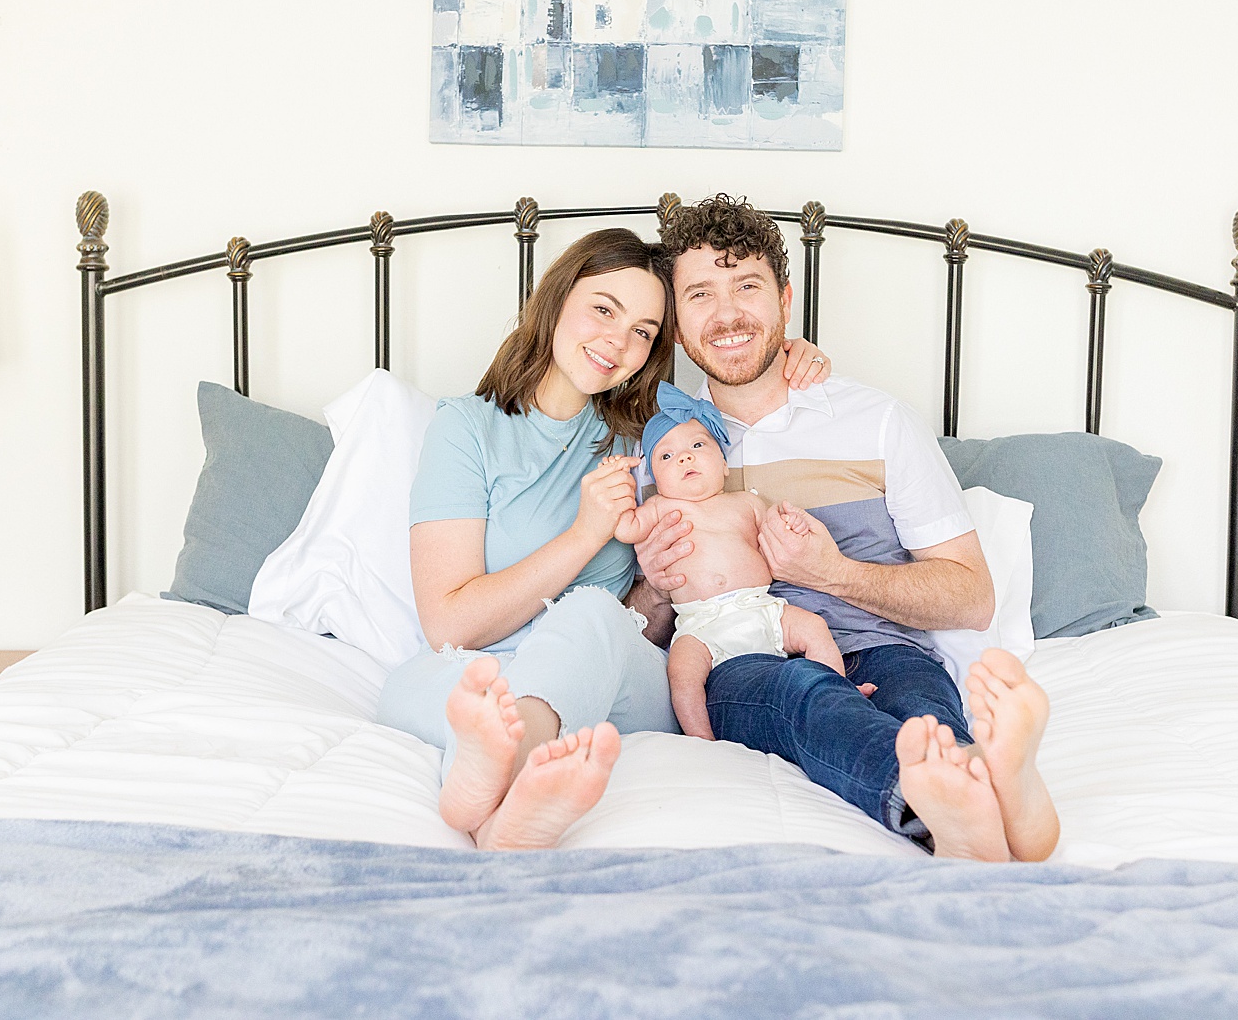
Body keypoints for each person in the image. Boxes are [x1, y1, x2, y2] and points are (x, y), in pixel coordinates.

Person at [631, 194, 1062, 863]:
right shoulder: (667, 456)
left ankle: (993, 799)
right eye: (700, 294)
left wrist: (831, 573)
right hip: (754, 665)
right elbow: (651, 631)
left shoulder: (876, 419)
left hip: (886, 650)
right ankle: (953, 805)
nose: (727, 314)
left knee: (922, 710)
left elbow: (972, 598)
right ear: (679, 327)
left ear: (784, 299)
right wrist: (657, 589)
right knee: (805, 693)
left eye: (747, 285)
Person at [376, 227, 833, 850]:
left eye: (644, 330)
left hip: (615, 671)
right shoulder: (466, 429)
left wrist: (790, 353)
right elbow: (448, 626)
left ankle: (506, 764)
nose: (618, 343)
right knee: (412, 685)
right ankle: (497, 807)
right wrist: (585, 535)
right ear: (557, 298)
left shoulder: (649, 440)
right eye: (603, 309)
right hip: (486, 661)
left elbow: (737, 386)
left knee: (589, 613)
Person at [611, 383, 860, 740]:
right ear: (655, 478)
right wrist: (620, 482)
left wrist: (793, 525)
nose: (684, 458)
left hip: (762, 609)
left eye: (698, 446)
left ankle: (840, 694)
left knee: (815, 629)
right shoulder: (658, 508)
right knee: (681, 675)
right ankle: (704, 742)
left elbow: (780, 537)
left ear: (724, 463)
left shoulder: (746, 503)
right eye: (666, 456)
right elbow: (624, 528)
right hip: (701, 625)